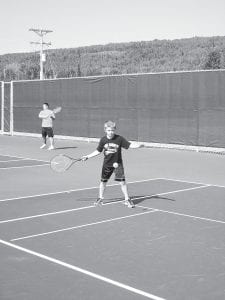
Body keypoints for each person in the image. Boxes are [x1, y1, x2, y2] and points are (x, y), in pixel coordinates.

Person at [82, 120, 144, 208]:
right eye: (109, 130)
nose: (111, 132)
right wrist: (87, 156)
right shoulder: (103, 140)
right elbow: (98, 151)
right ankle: (100, 198)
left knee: (122, 182)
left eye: (112, 130)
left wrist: (138, 146)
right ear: (105, 130)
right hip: (107, 165)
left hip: (118, 164)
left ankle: (127, 199)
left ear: (114, 130)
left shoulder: (119, 139)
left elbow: (129, 145)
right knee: (103, 182)